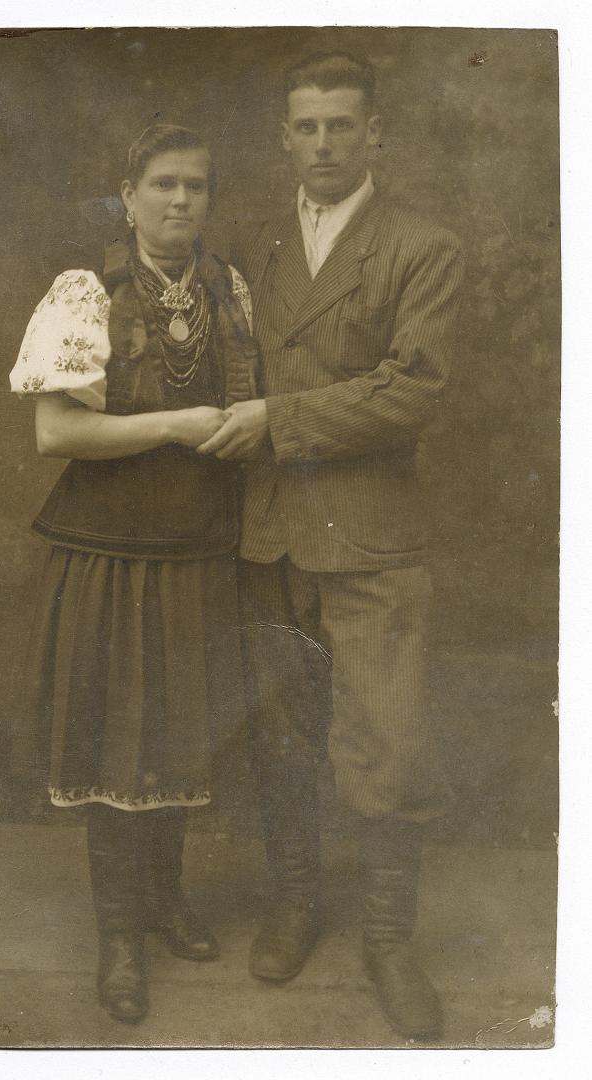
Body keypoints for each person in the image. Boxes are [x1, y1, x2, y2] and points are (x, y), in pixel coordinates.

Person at [199, 52, 464, 1039]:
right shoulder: (261, 248)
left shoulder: (421, 246)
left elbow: (414, 392)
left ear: (374, 134)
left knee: (387, 743)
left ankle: (392, 940)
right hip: (271, 537)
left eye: (341, 126)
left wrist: (277, 414)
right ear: (284, 138)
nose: (322, 144)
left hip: (370, 536)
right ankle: (296, 902)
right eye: (305, 128)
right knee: (283, 738)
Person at [9, 124, 257, 1024]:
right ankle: (118, 930)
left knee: (180, 725)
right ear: (129, 195)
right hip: (108, 551)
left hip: (197, 547)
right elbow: (56, 433)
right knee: (115, 733)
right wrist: (177, 425)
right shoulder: (85, 292)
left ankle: (165, 900)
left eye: (196, 185)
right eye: (162, 184)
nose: (180, 201)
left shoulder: (230, 290)